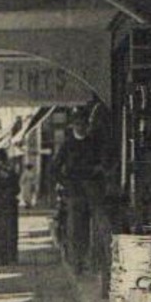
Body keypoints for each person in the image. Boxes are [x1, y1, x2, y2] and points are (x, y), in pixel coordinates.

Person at [50, 113, 106, 275]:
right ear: (73, 126)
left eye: (84, 124)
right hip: (75, 192)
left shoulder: (93, 143)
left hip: (93, 189)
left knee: (96, 226)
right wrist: (65, 183)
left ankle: (93, 261)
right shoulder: (67, 145)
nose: (81, 128)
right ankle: (77, 262)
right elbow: (54, 169)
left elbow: (102, 164)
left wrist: (99, 173)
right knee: (75, 228)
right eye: (78, 125)